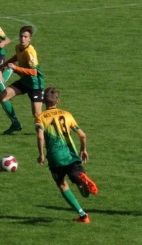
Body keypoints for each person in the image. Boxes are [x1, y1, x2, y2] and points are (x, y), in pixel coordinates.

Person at [34, 87, 98, 223]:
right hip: (71, 155)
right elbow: (82, 135)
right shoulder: (67, 114)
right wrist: (83, 149)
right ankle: (81, 180)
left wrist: (41, 155)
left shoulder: (40, 118)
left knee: (62, 184)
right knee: (82, 189)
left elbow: (40, 138)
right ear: (58, 101)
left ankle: (83, 216)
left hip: (55, 158)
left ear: (44, 101)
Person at [0, 25, 44, 135]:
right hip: (24, 81)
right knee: (2, 97)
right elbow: (17, 56)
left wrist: (15, 68)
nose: (22, 39)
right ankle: (15, 124)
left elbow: (34, 72)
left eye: (25, 37)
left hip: (35, 84)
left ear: (30, 39)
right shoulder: (18, 47)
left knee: (37, 114)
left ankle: (47, 132)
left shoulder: (31, 52)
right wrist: (4, 64)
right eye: (21, 36)